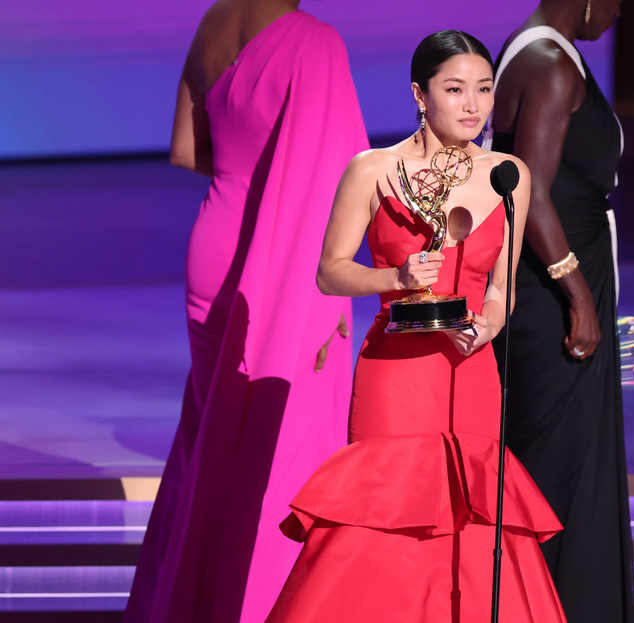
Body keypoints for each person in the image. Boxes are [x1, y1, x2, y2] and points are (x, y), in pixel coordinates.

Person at [263, 30, 567, 622]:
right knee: (382, 518)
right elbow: (330, 272)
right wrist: (396, 278)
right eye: (455, 90)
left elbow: (503, 288)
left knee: (472, 522)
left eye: (484, 90)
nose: (473, 105)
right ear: (420, 95)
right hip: (395, 375)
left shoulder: (509, 175)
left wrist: (485, 329)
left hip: (470, 372)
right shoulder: (372, 169)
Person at [124, 1, 369, 621]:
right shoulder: (317, 42)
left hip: (214, 243)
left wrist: (245, 169)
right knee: (277, 429)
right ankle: (265, 603)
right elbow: (348, 179)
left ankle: (193, 597)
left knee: (214, 432)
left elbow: (185, 149)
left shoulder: (213, 22)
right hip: (286, 254)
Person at [485, 1, 634, 620]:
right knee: (558, 472)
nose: (620, 13)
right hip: (552, 298)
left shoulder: (538, 49)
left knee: (564, 463)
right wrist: (578, 297)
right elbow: (531, 191)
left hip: (555, 284)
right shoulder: (550, 62)